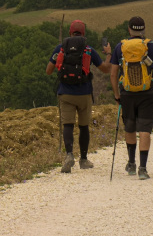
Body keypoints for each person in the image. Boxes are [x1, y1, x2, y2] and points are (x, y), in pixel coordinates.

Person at [45, 19, 109, 173]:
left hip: (65, 93)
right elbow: (105, 69)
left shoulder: (60, 48)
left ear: (70, 32)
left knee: (67, 124)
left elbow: (48, 70)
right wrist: (108, 54)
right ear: (84, 33)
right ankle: (84, 159)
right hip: (84, 93)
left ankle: (69, 155)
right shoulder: (89, 49)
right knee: (83, 126)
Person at [109, 16, 153, 179]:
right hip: (147, 93)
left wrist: (116, 94)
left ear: (129, 29)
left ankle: (132, 164)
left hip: (126, 94)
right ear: (143, 30)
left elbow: (113, 73)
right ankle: (143, 168)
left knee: (130, 127)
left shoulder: (120, 47)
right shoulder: (152, 46)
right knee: (145, 130)